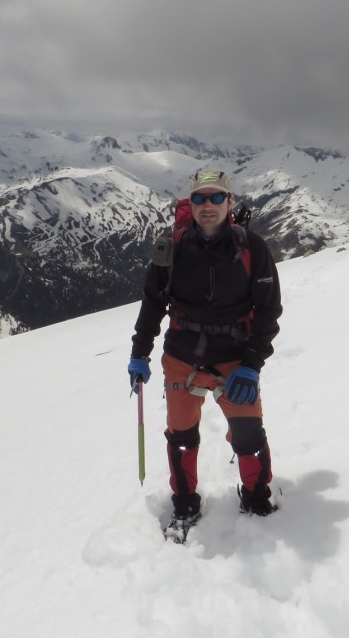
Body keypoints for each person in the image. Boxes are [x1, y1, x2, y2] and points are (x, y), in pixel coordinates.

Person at [128, 168, 283, 525]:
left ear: (230, 201)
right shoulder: (172, 247)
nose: (207, 205)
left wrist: (252, 363)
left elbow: (269, 309)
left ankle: (257, 494)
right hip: (181, 356)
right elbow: (153, 302)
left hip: (235, 358)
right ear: (190, 203)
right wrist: (140, 352)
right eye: (200, 198)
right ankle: (184, 500)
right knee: (181, 434)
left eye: (216, 197)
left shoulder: (251, 248)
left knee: (248, 433)